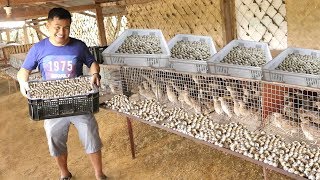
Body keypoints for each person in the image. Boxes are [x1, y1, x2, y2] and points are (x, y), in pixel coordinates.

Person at [17, 7, 107, 180]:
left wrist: (95, 73)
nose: (62, 32)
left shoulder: (78, 46)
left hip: (79, 101)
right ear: (48, 25)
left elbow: (92, 63)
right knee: (55, 139)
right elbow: (24, 71)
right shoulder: (38, 48)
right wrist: (22, 82)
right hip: (53, 104)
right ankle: (64, 173)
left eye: (66, 27)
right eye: (57, 27)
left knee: (91, 135)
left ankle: (99, 174)